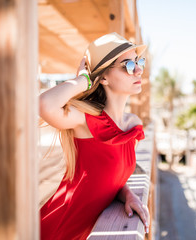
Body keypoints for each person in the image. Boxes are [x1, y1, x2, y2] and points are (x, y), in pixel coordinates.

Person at [39, 32, 150, 240]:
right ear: (104, 77)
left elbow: (112, 178)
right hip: (57, 230)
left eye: (139, 61)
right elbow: (44, 105)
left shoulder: (133, 124)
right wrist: (83, 80)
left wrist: (128, 194)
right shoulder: (86, 120)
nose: (138, 70)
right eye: (127, 65)